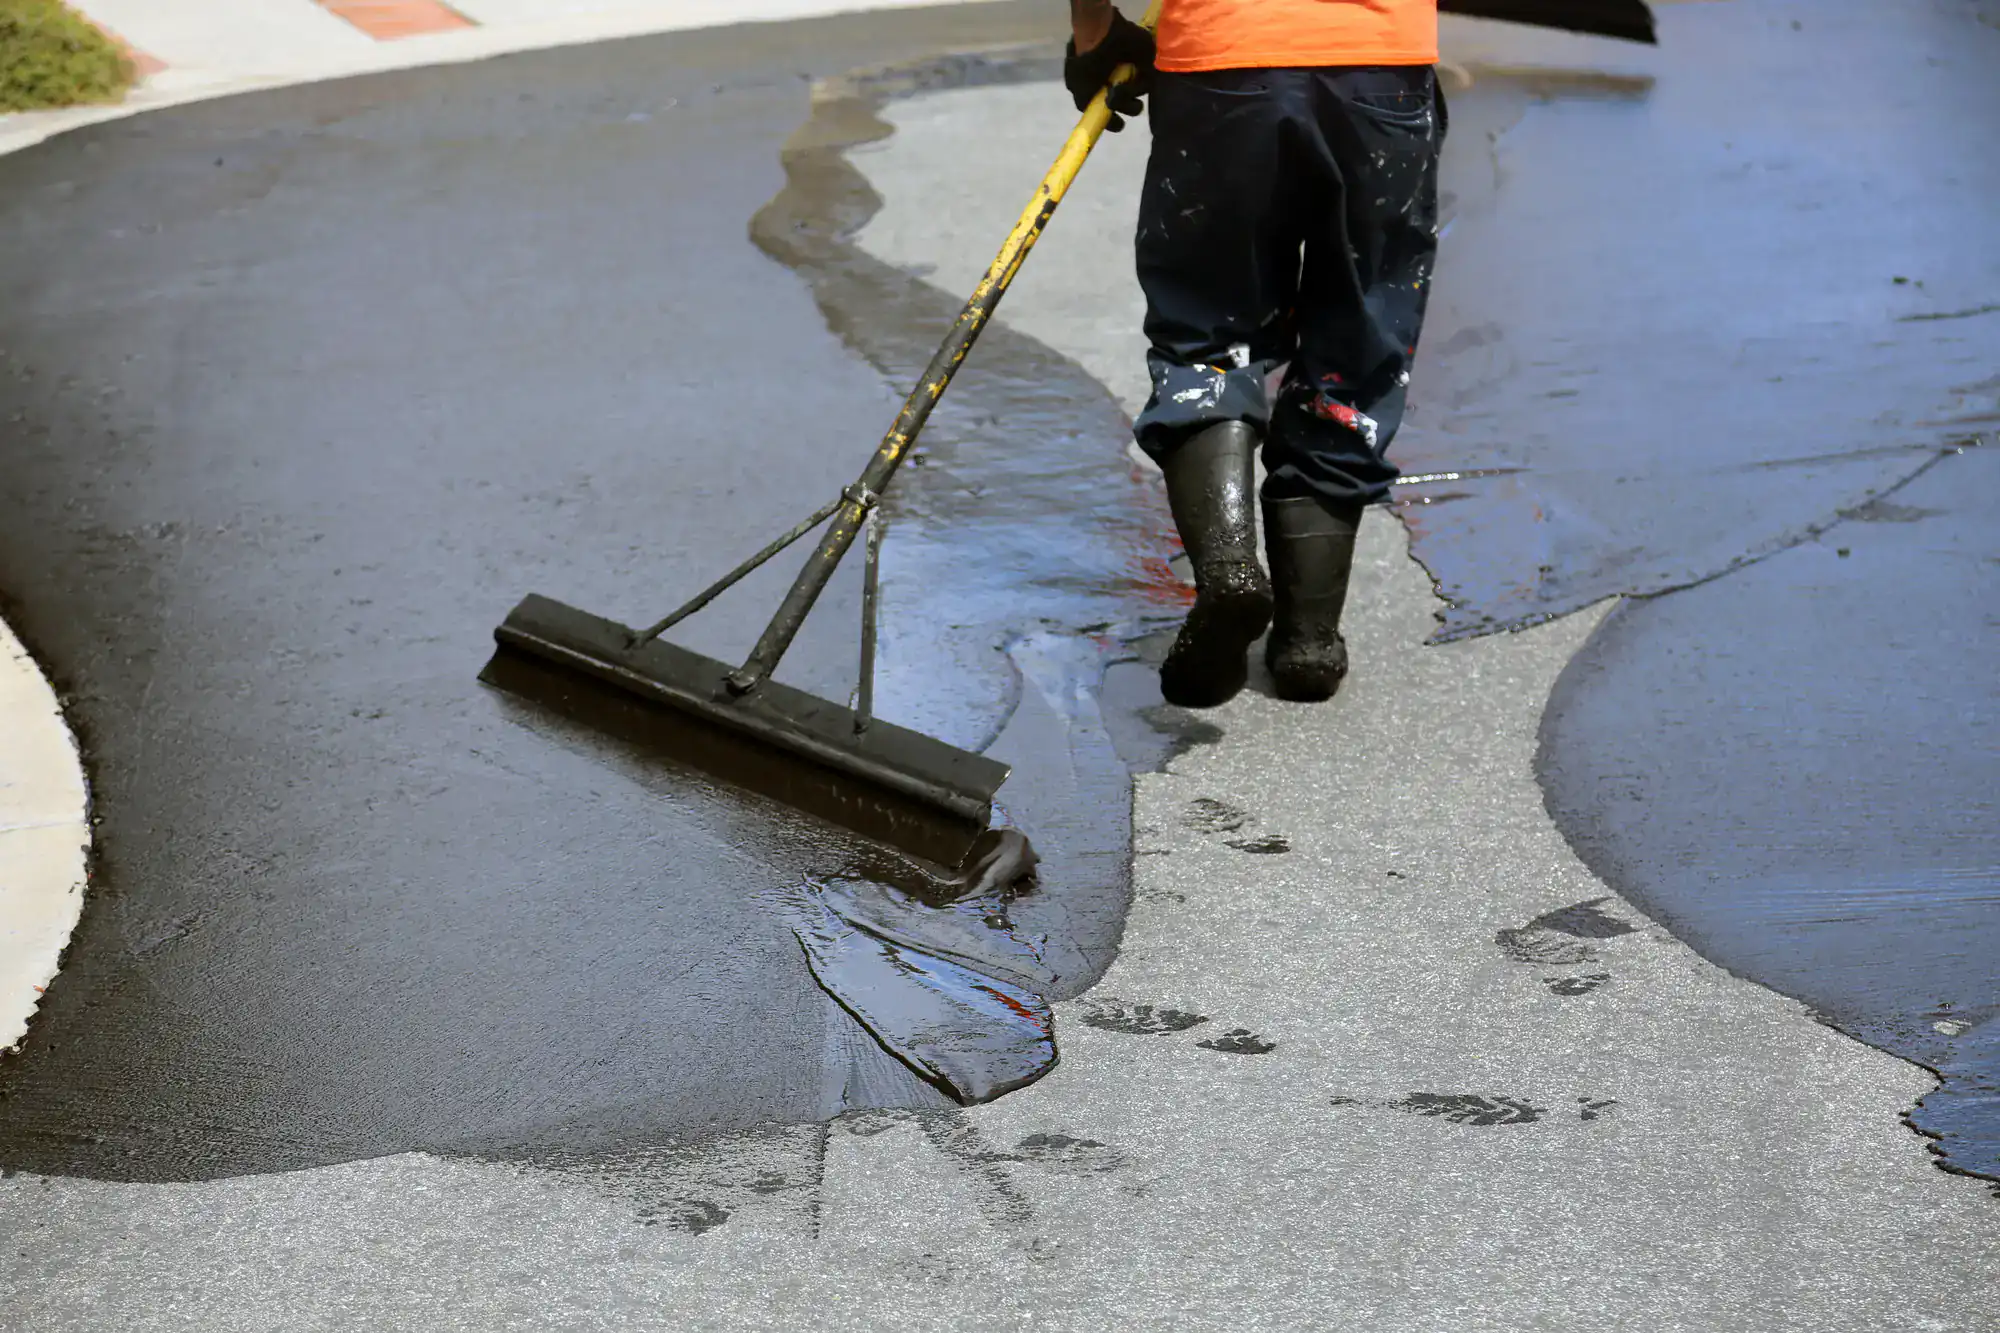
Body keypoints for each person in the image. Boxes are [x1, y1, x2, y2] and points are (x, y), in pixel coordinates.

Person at [1064, 0, 1445, 708]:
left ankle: (1230, 571)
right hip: (1381, 70)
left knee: (1209, 334)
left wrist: (1092, 29)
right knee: (1358, 335)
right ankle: (1308, 639)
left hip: (1225, 63)